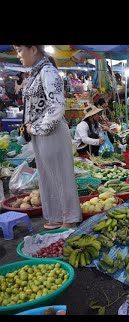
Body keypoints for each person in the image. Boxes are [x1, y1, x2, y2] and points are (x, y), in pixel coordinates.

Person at [13, 45, 81, 229]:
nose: (18, 55)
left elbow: (57, 106)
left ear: (33, 49)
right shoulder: (36, 73)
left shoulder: (48, 71)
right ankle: (57, 216)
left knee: (61, 175)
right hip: (40, 132)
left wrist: (37, 128)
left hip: (51, 131)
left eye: (19, 49)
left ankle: (69, 217)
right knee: (48, 176)